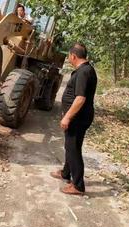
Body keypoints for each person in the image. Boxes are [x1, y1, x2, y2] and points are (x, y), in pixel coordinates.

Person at [51, 43, 97, 195]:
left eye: (69, 56)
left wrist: (67, 117)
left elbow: (80, 99)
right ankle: (66, 173)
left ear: (73, 56)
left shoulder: (84, 72)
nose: (69, 58)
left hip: (78, 118)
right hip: (79, 117)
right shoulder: (86, 70)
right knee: (71, 146)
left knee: (73, 149)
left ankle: (78, 185)